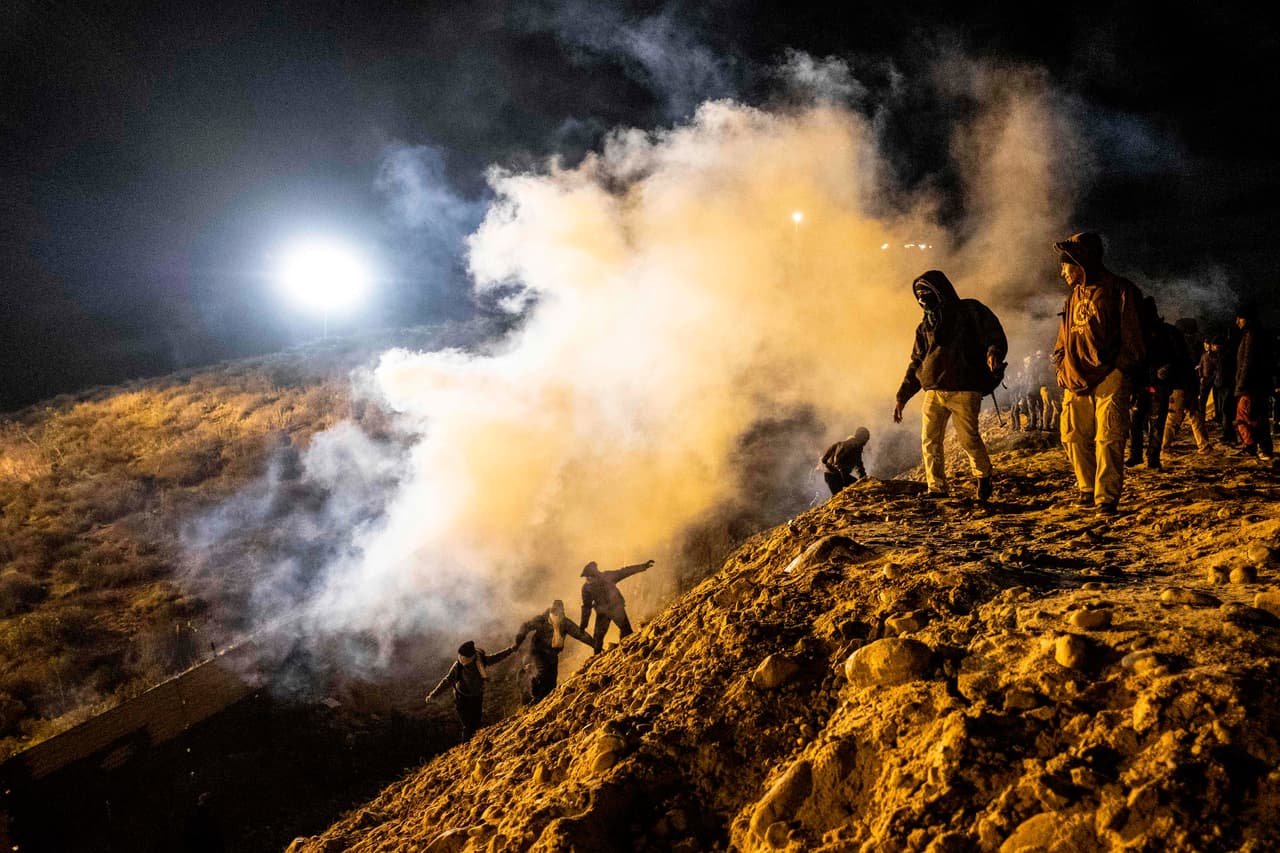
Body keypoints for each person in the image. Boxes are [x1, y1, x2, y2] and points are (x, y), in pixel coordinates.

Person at [1050, 232, 1145, 515]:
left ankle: (1106, 496)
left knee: (1109, 437)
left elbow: (1133, 337)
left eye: (1066, 265)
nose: (1062, 272)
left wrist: (1121, 368)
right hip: (1075, 378)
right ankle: (1087, 488)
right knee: (1073, 436)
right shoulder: (1072, 298)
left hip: (1110, 376)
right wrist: (1061, 367)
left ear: (1081, 262)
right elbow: (1062, 341)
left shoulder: (1119, 290)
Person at [893, 270, 1007, 501]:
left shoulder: (970, 311)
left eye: (926, 291)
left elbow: (993, 334)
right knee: (930, 440)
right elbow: (917, 362)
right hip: (934, 391)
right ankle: (936, 488)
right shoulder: (925, 326)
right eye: (918, 293)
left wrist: (993, 353)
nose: (922, 297)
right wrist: (902, 397)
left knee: (968, 439)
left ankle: (983, 476)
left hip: (965, 389)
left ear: (940, 290)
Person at [425, 640, 516, 739]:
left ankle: (473, 745)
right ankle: (466, 746)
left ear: (472, 659)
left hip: (477, 697)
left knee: (476, 723)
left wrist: (510, 650)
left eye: (466, 663)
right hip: (462, 699)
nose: (464, 663)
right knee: (468, 726)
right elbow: (447, 681)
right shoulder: (458, 666)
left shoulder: (480, 660)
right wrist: (433, 694)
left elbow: (496, 658)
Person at [513, 599, 593, 702]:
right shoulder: (542, 620)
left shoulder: (565, 622)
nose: (556, 614)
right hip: (539, 650)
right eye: (554, 611)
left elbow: (579, 634)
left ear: (562, 611)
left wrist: (595, 644)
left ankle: (545, 698)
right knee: (543, 672)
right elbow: (526, 626)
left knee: (552, 679)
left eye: (559, 611)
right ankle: (535, 693)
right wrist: (518, 639)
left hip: (552, 653)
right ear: (550, 611)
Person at [580, 558, 654, 652]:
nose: (587, 579)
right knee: (597, 639)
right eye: (586, 577)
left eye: (588, 577)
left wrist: (644, 566)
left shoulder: (607, 576)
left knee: (626, 631)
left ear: (595, 575)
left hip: (616, 608)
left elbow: (625, 572)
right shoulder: (586, 588)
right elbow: (586, 607)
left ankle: (626, 650)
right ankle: (597, 659)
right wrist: (583, 625)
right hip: (602, 613)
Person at [1162, 317, 1211, 455]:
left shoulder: (1180, 346)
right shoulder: (1179, 348)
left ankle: (1204, 446)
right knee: (1174, 419)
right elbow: (1182, 370)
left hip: (1184, 387)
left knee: (1194, 417)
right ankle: (1164, 448)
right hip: (1180, 388)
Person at [1233, 303, 1274, 460]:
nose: (1237, 322)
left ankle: (1262, 448)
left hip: (1252, 385)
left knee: (1250, 416)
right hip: (1256, 384)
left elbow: (1247, 362)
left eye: (1240, 318)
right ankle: (1253, 446)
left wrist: (1241, 385)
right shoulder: (1254, 334)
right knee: (1254, 415)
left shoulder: (1252, 335)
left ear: (1248, 319)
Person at [820, 428, 870, 495]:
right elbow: (838, 462)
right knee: (841, 495)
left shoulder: (841, 444)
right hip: (835, 476)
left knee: (854, 488)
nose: (865, 444)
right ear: (862, 439)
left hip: (832, 475)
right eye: (865, 441)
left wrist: (864, 478)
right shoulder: (854, 447)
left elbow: (824, 459)